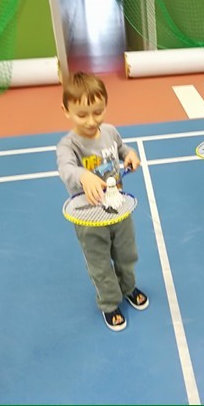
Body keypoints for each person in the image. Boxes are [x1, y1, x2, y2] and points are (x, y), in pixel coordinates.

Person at [56, 72, 149, 331]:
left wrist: (130, 154)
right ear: (66, 111)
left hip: (117, 209)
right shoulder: (67, 146)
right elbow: (66, 169)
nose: (91, 121)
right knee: (100, 264)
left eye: (98, 112)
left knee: (127, 254)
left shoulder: (109, 131)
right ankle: (109, 302)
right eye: (82, 115)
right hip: (89, 217)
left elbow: (121, 148)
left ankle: (128, 287)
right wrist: (83, 175)